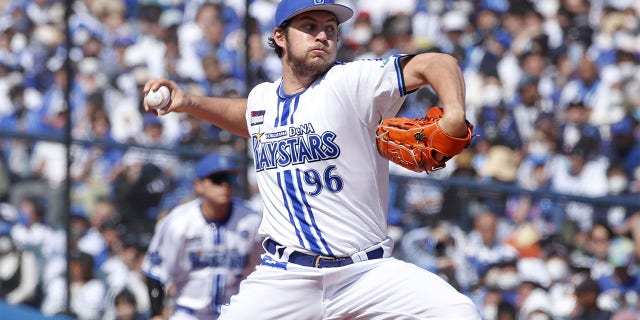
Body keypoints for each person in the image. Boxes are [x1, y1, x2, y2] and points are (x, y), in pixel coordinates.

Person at [143, 0, 481, 318]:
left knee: (460, 312)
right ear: (280, 36)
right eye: (309, 25)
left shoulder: (351, 82)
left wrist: (453, 113)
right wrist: (188, 102)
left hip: (366, 273)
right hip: (285, 276)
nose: (322, 35)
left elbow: (438, 63)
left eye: (330, 28)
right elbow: (247, 115)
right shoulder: (263, 99)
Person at [141, 153, 262, 320]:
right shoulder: (179, 223)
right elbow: (154, 272)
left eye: (230, 178)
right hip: (189, 314)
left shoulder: (252, 220)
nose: (225, 184)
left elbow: (265, 268)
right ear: (199, 185)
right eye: (217, 179)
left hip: (236, 314)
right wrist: (157, 313)